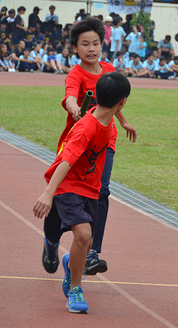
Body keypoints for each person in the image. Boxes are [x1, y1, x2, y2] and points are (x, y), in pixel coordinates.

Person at [40, 17, 137, 281]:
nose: (92, 49)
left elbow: (115, 99)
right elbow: (71, 96)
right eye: (85, 44)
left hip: (105, 140)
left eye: (96, 43)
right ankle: (51, 241)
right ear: (75, 48)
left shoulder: (108, 68)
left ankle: (92, 251)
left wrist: (125, 122)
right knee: (65, 193)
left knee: (101, 191)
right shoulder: (75, 74)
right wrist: (74, 109)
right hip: (79, 138)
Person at [33, 71, 131, 314]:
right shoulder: (87, 127)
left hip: (91, 189)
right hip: (68, 186)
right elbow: (65, 161)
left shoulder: (108, 123)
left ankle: (69, 263)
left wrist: (124, 122)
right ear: (123, 102)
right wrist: (48, 193)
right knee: (85, 234)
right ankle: (75, 289)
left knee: (84, 244)